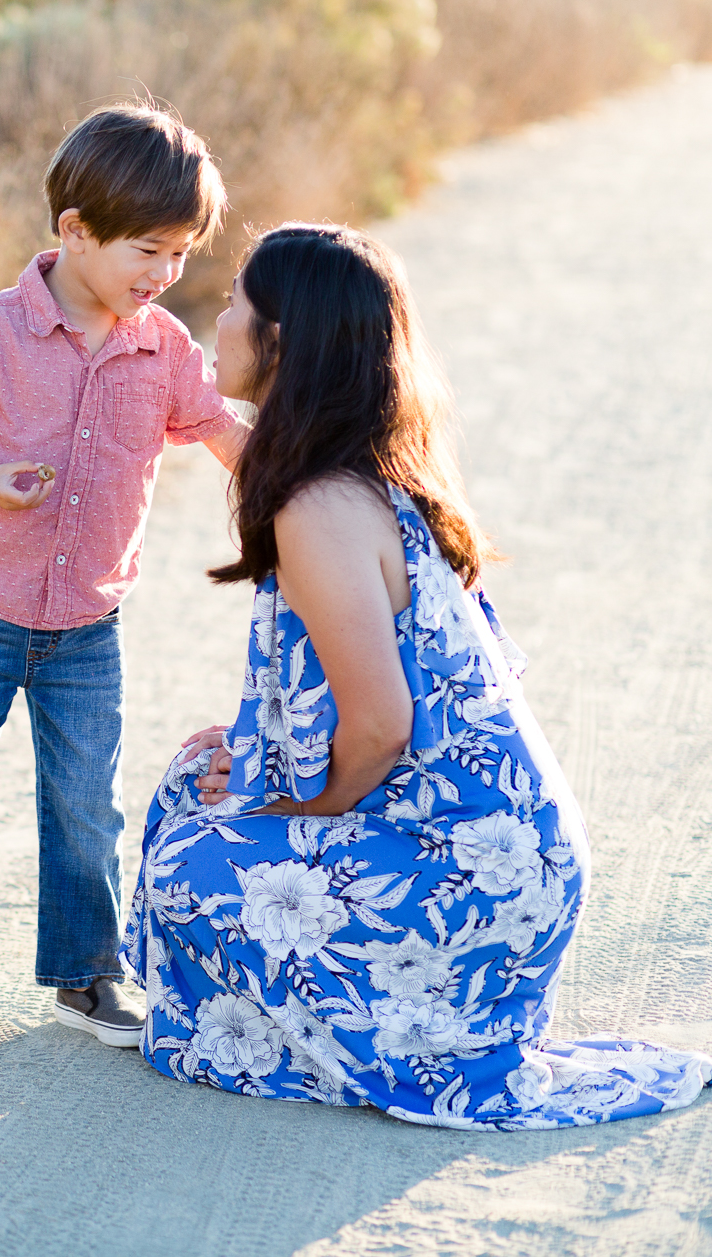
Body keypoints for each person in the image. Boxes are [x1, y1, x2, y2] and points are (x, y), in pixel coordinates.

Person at [122, 223, 711, 1128]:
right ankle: (333, 1020)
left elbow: (385, 724)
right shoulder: (360, 477)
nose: (219, 320)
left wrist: (299, 813)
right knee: (194, 782)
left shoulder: (318, 505)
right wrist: (257, 759)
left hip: (471, 879)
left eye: (238, 301)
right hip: (488, 853)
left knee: (186, 869)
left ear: (282, 339)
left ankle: (358, 1041)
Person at [0, 102, 248, 1058]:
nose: (163, 276)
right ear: (75, 231)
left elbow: (226, 432)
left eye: (181, 257)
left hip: (88, 623)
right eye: (147, 251)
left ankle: (85, 973)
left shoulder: (163, 350)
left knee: (84, 802)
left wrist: (319, 487)